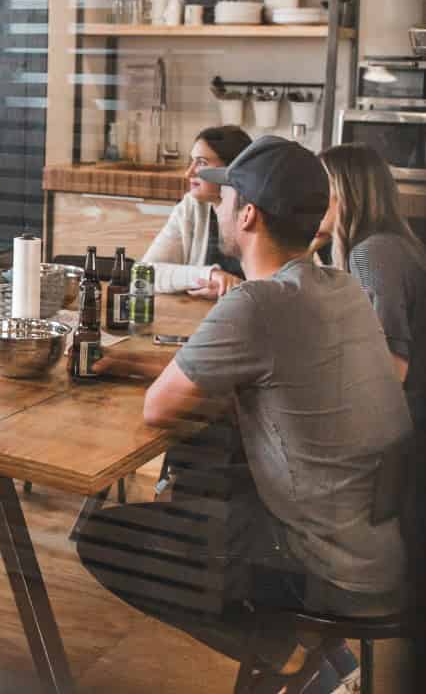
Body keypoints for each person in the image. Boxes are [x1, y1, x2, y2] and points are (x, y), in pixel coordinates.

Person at [79, 137, 412, 691]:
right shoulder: (340, 287)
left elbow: (159, 407)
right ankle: (315, 657)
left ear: (249, 214)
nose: (221, 204)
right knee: (211, 468)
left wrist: (133, 370)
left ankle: (282, 647)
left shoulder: (257, 304)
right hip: (380, 544)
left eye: (229, 194)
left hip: (325, 568)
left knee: (103, 538)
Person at [320, 143, 426, 429]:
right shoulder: (388, 243)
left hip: (406, 424)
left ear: (344, 193)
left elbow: (392, 367)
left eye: (319, 187)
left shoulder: (372, 253)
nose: (309, 198)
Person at [141, 125, 252, 296]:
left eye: (201, 162)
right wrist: (209, 275)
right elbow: (145, 273)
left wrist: (233, 290)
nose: (188, 172)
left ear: (231, 169)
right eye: (191, 161)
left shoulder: (258, 213)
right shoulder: (190, 207)